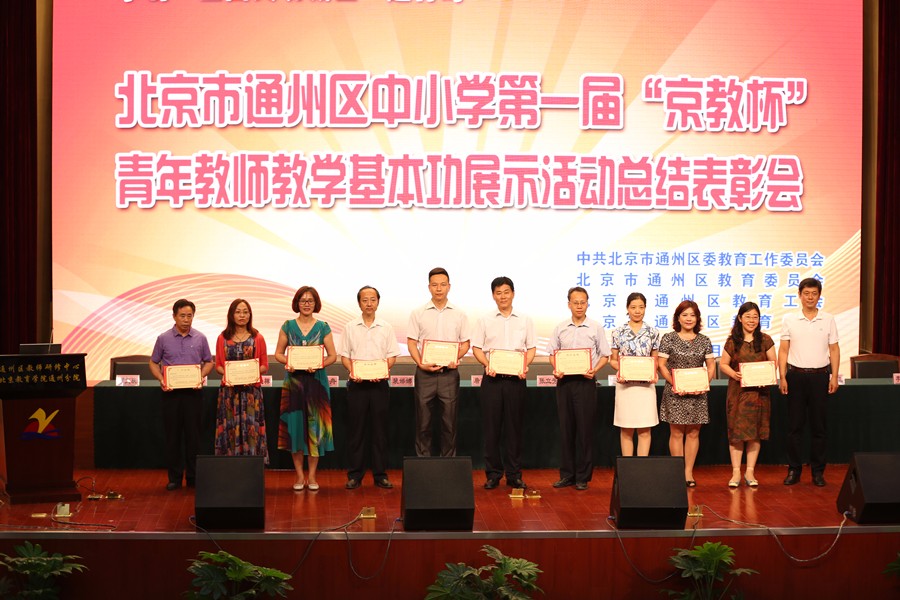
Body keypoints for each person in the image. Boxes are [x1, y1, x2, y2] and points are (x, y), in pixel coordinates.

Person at [471, 276, 536, 490]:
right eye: (498, 293)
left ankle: (514, 475)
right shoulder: (484, 320)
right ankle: (493, 474)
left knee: (514, 429)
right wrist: (487, 363)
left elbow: (531, 348)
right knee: (491, 429)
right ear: (493, 296)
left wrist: (524, 365)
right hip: (492, 380)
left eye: (506, 292)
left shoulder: (525, 320)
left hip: (516, 380)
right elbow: (477, 348)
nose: (503, 296)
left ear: (513, 294)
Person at [778, 278, 840, 487]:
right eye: (806, 293)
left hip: (820, 376)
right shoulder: (789, 319)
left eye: (814, 293)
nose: (810, 297)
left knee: (819, 427)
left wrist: (834, 375)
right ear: (799, 295)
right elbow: (783, 350)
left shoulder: (828, 319)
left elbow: (834, 349)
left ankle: (818, 471)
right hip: (795, 376)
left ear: (819, 296)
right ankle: (794, 470)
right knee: (794, 427)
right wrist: (782, 376)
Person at [547, 287, 610, 491]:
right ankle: (567, 475)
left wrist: (595, 370)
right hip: (564, 383)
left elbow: (605, 355)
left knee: (584, 430)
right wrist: (556, 368)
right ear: (569, 304)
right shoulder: (560, 328)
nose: (579, 306)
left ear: (587, 304)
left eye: (583, 302)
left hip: (585, 382)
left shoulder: (595, 327)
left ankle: (583, 476)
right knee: (566, 430)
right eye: (576, 302)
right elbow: (552, 353)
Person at [274, 286, 337, 491]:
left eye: (310, 300)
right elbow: (278, 353)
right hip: (294, 383)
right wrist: (288, 362)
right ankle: (300, 476)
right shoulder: (288, 326)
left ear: (315, 303)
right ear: (297, 303)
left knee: (314, 430)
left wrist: (319, 364)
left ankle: (312, 476)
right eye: (303, 300)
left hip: (316, 383)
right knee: (296, 430)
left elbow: (332, 356)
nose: (307, 304)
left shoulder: (323, 327)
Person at [339, 286, 400, 489]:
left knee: (380, 432)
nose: (369, 303)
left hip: (379, 385)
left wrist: (382, 371)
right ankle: (355, 475)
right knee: (356, 431)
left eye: (372, 299)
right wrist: (354, 372)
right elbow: (345, 356)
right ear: (359, 303)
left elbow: (391, 355)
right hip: (357, 386)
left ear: (378, 302)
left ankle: (380, 475)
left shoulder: (386, 327)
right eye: (365, 300)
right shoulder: (349, 327)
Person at [148, 299, 213, 491]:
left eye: (189, 316)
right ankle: (175, 478)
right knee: (173, 437)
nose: (186, 319)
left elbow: (209, 361)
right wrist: (161, 379)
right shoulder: (163, 338)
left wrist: (200, 376)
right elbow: (153, 362)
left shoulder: (200, 338)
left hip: (193, 394)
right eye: (182, 316)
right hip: (171, 395)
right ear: (174, 316)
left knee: (194, 437)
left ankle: (193, 477)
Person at [407, 267, 470, 457]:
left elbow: (466, 344)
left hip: (449, 374)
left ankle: (448, 464)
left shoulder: (459, 314)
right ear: (429, 287)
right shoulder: (418, 313)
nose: (439, 288)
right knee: (423, 423)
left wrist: (455, 358)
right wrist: (420, 363)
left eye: (443, 284)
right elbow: (411, 342)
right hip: (424, 374)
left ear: (449, 286)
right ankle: (423, 463)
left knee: (449, 423)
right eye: (435, 285)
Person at [658, 300, 716, 487]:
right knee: (676, 433)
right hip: (675, 392)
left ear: (697, 318)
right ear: (678, 318)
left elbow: (711, 365)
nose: (689, 318)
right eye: (684, 315)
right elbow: (661, 365)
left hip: (698, 393)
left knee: (693, 432)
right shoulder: (668, 338)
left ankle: (688, 473)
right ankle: (677, 472)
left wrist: (705, 383)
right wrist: (674, 383)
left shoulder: (704, 340)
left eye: (692, 315)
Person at [719, 301, 776, 488]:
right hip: (738, 393)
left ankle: (750, 471)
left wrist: (766, 376)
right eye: (748, 316)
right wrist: (734, 374)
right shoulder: (732, 341)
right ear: (740, 318)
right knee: (736, 433)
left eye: (755, 317)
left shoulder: (765, 340)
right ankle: (736, 472)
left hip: (759, 393)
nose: (752, 320)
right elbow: (723, 364)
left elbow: (773, 363)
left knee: (755, 433)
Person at [214, 299, 269, 462]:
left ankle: (252, 467)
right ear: (231, 315)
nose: (242, 315)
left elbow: (264, 365)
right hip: (229, 393)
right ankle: (230, 467)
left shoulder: (257, 337)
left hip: (251, 393)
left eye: (245, 312)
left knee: (251, 430)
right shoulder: (223, 338)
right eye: (238, 312)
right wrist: (232, 375)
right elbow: (218, 366)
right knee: (230, 429)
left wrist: (249, 376)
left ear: (250, 315)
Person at [610, 292, 660, 457]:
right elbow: (613, 360)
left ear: (645, 308)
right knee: (626, 430)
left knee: (645, 430)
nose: (637, 311)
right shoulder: (618, 332)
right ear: (627, 308)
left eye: (641, 307)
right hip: (625, 387)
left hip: (645, 387)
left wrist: (653, 371)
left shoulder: (653, 332)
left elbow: (655, 359)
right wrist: (622, 369)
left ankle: (641, 468)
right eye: (633, 307)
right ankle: (628, 468)